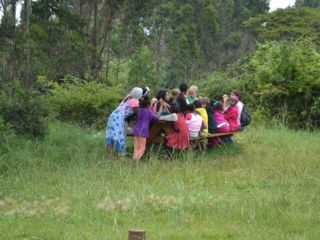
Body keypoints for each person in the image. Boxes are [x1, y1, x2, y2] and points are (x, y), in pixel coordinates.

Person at [105, 87, 143, 156]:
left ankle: (109, 155)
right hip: (119, 117)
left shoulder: (128, 97)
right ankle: (122, 156)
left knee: (110, 135)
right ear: (139, 94)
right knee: (120, 135)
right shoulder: (135, 101)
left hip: (113, 115)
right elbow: (137, 113)